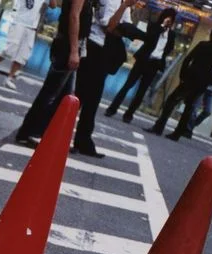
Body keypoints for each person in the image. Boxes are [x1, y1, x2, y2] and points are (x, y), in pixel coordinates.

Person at [14, 0, 91, 147]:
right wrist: (74, 51)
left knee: (63, 95)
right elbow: (74, 16)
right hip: (67, 46)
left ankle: (39, 132)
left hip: (69, 44)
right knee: (51, 93)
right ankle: (30, 131)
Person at [71, 0, 137, 158]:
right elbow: (110, 26)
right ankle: (63, 134)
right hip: (95, 47)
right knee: (80, 95)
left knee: (93, 99)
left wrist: (124, 11)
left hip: (105, 50)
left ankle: (83, 141)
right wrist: (123, 8)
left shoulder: (124, 3)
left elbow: (126, 26)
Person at [145, 27, 212, 141]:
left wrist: (182, 76)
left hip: (190, 78)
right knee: (189, 108)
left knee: (171, 101)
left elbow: (188, 59)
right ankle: (177, 133)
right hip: (201, 83)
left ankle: (159, 126)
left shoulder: (202, 45)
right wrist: (209, 80)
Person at [104, 7, 177, 123]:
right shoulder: (153, 26)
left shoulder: (172, 34)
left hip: (154, 64)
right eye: (167, 18)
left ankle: (129, 114)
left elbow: (170, 48)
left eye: (171, 19)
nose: (169, 21)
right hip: (143, 61)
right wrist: (162, 27)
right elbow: (149, 38)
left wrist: (161, 56)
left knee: (141, 91)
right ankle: (112, 108)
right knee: (128, 85)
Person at [0, 0, 59, 90]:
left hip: (32, 27)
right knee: (9, 50)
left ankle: (10, 78)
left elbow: (53, 5)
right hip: (18, 22)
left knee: (23, 55)